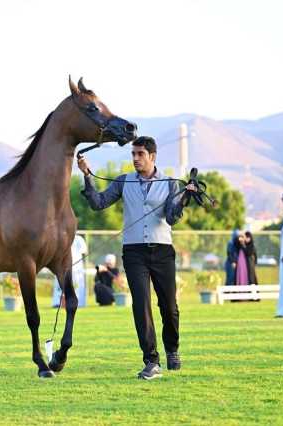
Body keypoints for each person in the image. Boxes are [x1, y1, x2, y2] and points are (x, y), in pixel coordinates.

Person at [78, 135, 197, 379]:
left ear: (152, 156)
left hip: (162, 250)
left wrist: (185, 196)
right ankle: (151, 360)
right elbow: (98, 203)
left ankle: (172, 349)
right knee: (141, 305)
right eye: (133, 154)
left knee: (169, 307)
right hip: (133, 252)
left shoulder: (170, 183)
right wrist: (87, 176)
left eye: (140, 154)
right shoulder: (123, 182)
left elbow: (172, 217)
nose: (135, 158)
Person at [52, 234, 88, 308]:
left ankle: (79, 302)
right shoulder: (60, 237)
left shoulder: (78, 239)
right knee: (60, 284)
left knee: (77, 285)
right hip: (62, 266)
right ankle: (58, 302)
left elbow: (84, 251)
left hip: (77, 267)